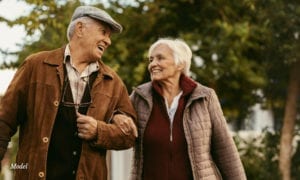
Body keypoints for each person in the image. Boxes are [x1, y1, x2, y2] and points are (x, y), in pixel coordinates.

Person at [0, 5, 137, 180]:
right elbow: (4, 120)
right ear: (80, 29)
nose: (108, 41)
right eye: (103, 32)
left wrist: (99, 131)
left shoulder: (113, 82)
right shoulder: (35, 65)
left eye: (109, 36)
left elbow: (130, 136)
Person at [130, 38, 247, 180]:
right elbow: (117, 126)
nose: (153, 64)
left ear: (180, 64)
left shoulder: (205, 97)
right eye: (151, 60)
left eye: (160, 58)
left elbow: (225, 150)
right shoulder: (139, 97)